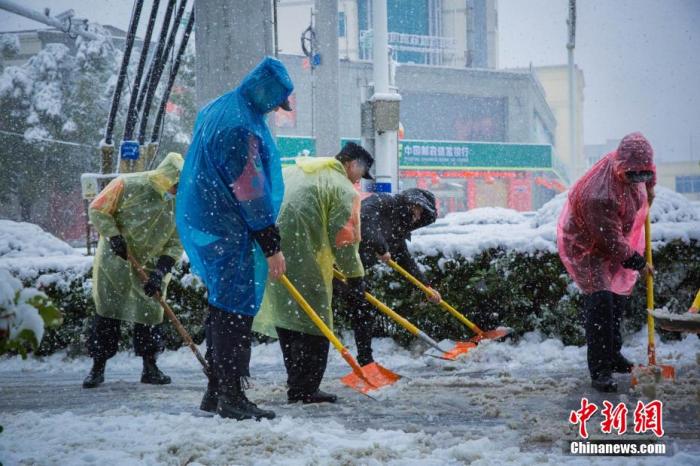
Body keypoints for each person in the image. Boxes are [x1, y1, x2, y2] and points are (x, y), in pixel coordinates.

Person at [176, 57, 294, 420]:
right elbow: (251, 191)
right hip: (231, 227)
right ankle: (231, 396)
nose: (277, 109)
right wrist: (270, 244)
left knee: (222, 308)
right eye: (277, 101)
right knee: (234, 315)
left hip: (213, 222)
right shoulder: (240, 126)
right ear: (266, 91)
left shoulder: (220, 107)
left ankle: (216, 392)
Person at [253, 142, 371, 404]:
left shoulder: (300, 169)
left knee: (289, 317)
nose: (359, 180)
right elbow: (344, 239)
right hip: (302, 253)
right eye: (361, 173)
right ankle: (307, 388)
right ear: (352, 164)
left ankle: (296, 383)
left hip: (273, 250)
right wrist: (355, 277)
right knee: (317, 321)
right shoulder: (342, 188)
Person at [557, 132, 656, 393]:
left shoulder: (636, 169)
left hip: (611, 238)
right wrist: (639, 263)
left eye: (643, 174)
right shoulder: (598, 194)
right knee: (601, 303)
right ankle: (600, 369)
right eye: (634, 175)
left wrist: (650, 187)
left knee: (616, 301)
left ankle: (613, 355)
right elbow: (610, 242)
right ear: (621, 167)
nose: (639, 180)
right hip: (586, 245)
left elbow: (648, 176)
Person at [83, 152, 184, 389]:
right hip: (115, 263)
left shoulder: (181, 203)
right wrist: (114, 237)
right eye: (176, 185)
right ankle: (97, 367)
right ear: (165, 178)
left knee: (149, 315)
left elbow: (176, 241)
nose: (178, 190)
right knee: (107, 314)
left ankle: (150, 367)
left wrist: (161, 271)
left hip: (149, 267)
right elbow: (98, 209)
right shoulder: (127, 184)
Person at [333, 188, 440, 366]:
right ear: (409, 203)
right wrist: (381, 247)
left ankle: (366, 362)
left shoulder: (399, 228)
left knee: (363, 310)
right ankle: (307, 369)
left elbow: (405, 260)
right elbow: (364, 222)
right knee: (345, 310)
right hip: (333, 262)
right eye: (417, 208)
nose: (417, 215)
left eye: (421, 213)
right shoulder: (382, 202)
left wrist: (425, 287)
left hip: (351, 271)